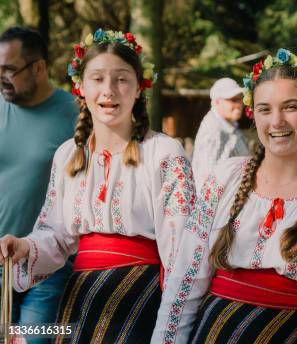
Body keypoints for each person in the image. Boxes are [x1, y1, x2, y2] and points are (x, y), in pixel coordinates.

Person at [154, 49, 297, 343]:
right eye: (265, 109)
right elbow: (183, 285)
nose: (277, 121)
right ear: (253, 114)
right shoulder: (225, 180)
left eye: (291, 107)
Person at [0, 28, 196, 343]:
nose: (109, 90)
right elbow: (57, 237)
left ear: (139, 88)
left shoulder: (164, 154)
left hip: (139, 301)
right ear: (80, 86)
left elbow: (181, 258)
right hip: (80, 300)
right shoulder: (69, 155)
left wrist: (168, 333)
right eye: (97, 79)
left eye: (121, 79)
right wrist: (24, 246)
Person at [0, 26, 77, 343]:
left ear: (39, 67)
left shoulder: (74, 114)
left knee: (36, 338)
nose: (2, 77)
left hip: (46, 266)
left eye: (9, 69)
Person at [192, 77, 250, 186]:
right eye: (233, 100)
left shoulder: (228, 125)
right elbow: (207, 179)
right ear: (217, 102)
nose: (239, 104)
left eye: (240, 99)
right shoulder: (213, 131)